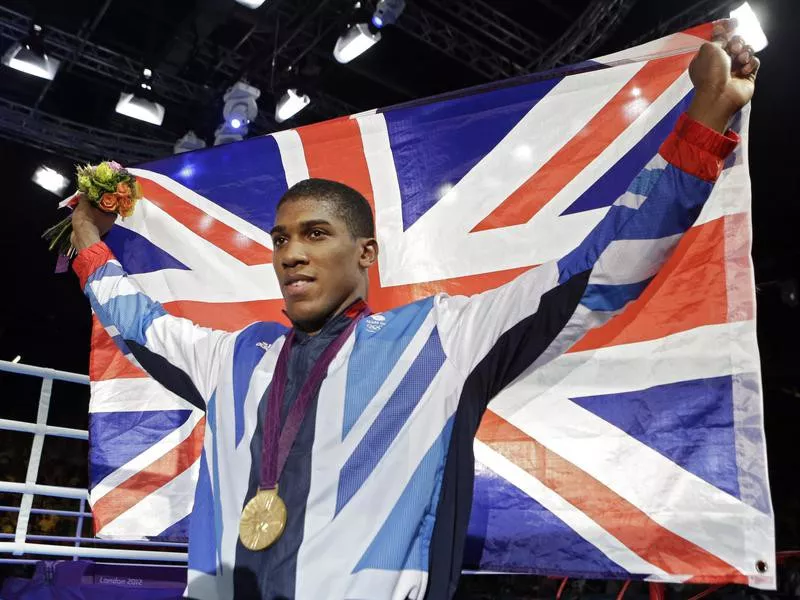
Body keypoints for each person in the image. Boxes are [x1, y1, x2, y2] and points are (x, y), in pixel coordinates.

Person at [69, 22, 760, 600]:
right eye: (280, 239)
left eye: (316, 235)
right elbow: (138, 322)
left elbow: (600, 267)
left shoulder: (441, 338)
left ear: (366, 254)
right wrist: (89, 249)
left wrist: (704, 121)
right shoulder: (235, 355)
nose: (291, 255)